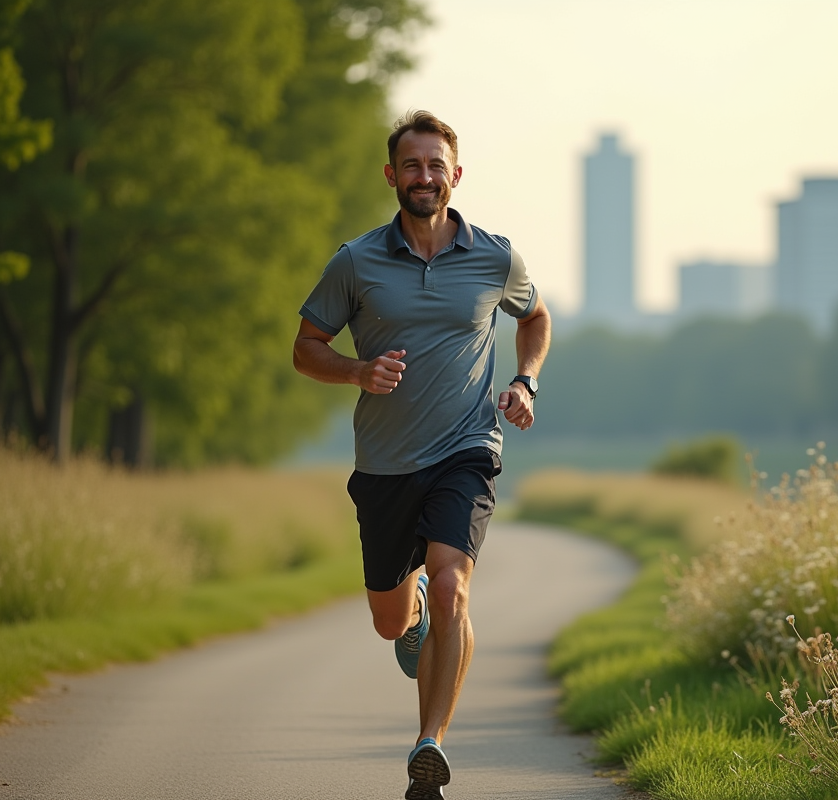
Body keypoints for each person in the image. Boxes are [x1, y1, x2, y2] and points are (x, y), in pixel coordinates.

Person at [292, 110, 551, 800]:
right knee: (388, 619)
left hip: (466, 448)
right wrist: (355, 371)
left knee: (453, 583)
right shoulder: (356, 262)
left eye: (436, 165)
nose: (425, 176)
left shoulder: (495, 256)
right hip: (383, 464)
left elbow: (535, 316)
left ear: (455, 175)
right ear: (392, 177)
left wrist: (526, 379)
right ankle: (412, 619)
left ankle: (428, 746)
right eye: (412, 165)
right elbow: (306, 348)